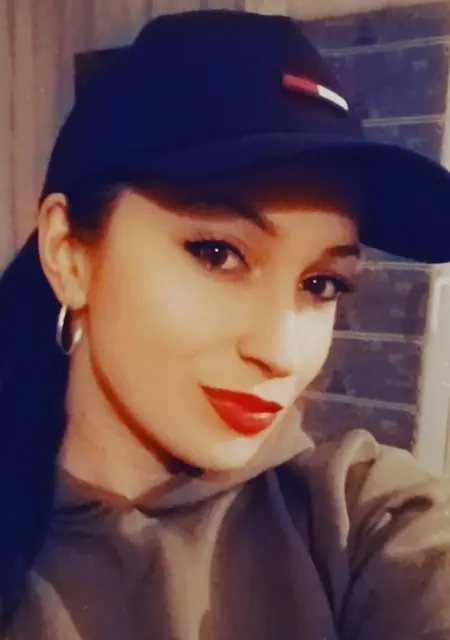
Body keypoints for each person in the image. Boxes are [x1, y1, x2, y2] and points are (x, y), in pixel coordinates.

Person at [2, 8, 450, 640]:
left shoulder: (360, 517)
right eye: (217, 253)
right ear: (68, 255)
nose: (280, 351)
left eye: (321, 284)